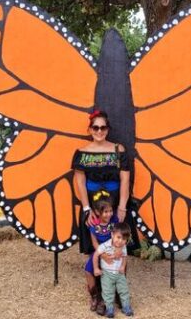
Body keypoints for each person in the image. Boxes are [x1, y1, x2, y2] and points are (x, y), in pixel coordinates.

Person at [72, 109, 137, 315]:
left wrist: (122, 207)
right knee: (96, 247)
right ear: (90, 129)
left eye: (103, 127)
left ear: (107, 129)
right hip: (93, 206)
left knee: (119, 243)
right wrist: (86, 208)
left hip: (116, 202)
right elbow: (80, 181)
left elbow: (125, 179)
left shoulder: (119, 150)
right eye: (96, 127)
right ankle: (96, 295)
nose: (99, 131)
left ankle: (117, 292)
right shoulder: (81, 153)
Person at [84, 192, 118, 312]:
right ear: (98, 212)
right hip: (99, 251)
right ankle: (94, 296)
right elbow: (94, 242)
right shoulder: (94, 225)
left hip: (111, 250)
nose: (109, 214)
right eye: (106, 212)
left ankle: (105, 299)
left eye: (110, 211)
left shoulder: (114, 221)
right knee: (88, 270)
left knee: (108, 271)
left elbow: (116, 239)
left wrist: (109, 253)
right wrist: (100, 254)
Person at [93, 222, 134, 317]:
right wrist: (96, 268)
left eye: (124, 239)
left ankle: (126, 306)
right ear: (112, 235)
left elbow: (124, 256)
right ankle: (110, 309)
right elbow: (96, 255)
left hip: (119, 274)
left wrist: (123, 266)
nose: (120, 241)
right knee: (108, 292)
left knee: (124, 290)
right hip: (107, 274)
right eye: (118, 237)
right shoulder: (104, 246)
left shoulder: (123, 247)